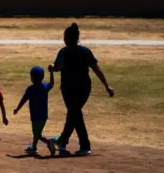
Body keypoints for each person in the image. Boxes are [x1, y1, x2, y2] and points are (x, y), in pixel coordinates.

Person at [49, 23, 115, 156]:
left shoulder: (64, 51)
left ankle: (81, 144)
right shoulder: (85, 51)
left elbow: (59, 66)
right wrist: (107, 86)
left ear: (66, 38)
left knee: (74, 113)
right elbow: (97, 69)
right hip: (84, 88)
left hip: (68, 88)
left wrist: (52, 68)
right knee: (74, 113)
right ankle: (64, 141)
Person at [13, 65, 56, 156]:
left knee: (37, 134)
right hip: (44, 115)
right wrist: (51, 73)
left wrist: (17, 109)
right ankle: (34, 147)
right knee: (37, 133)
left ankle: (48, 143)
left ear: (31, 78)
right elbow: (52, 83)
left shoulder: (30, 89)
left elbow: (23, 100)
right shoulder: (45, 87)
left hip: (35, 116)